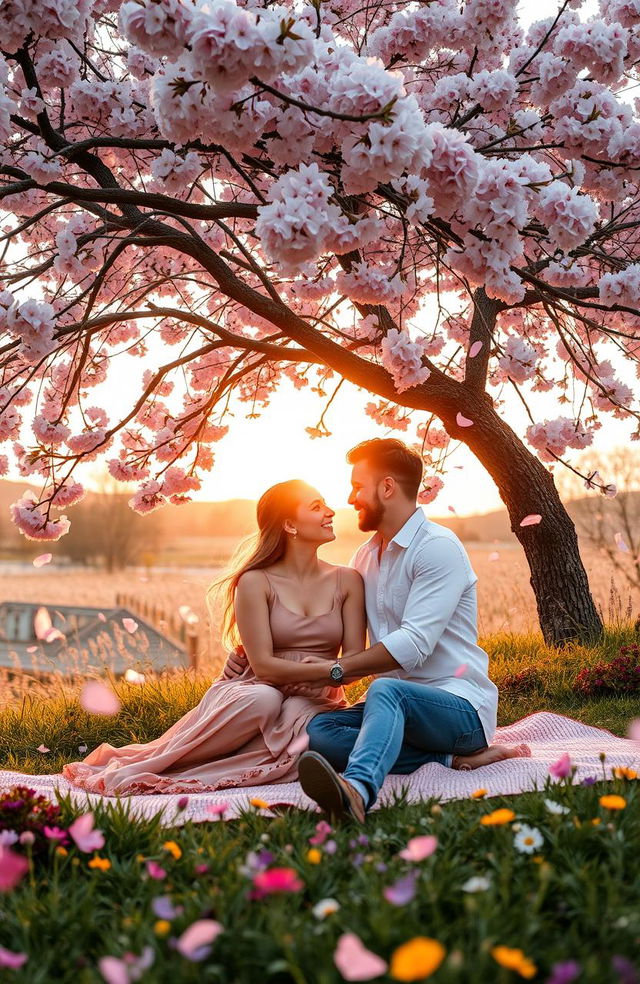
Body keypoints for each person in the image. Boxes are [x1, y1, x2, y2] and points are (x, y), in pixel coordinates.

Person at [224, 439, 531, 823]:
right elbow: (330, 629)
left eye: (358, 486)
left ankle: (357, 790)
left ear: (387, 488)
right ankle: (449, 760)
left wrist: (334, 669)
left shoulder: (437, 548)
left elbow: (414, 645)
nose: (350, 499)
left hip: (458, 708)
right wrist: (250, 654)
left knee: (387, 689)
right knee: (318, 732)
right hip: (393, 711)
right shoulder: (365, 558)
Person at [62, 479, 365, 796]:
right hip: (254, 686)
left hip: (315, 696)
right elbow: (263, 667)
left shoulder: (348, 581)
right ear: (289, 523)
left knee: (294, 713)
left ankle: (229, 760)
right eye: (316, 507)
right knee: (263, 700)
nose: (330, 512)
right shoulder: (255, 581)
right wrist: (327, 670)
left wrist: (327, 677)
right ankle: (162, 764)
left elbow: (356, 661)